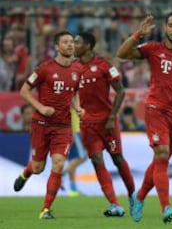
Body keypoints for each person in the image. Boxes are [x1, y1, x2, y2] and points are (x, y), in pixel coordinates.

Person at [116, 12, 172, 223]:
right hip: (156, 108)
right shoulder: (153, 49)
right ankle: (166, 207)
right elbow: (122, 53)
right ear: (165, 28)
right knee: (162, 154)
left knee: (160, 161)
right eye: (170, 25)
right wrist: (139, 33)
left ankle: (139, 197)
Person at [13, 31, 84, 219]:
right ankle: (26, 172)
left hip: (63, 126)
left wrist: (77, 107)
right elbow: (24, 90)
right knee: (38, 168)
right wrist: (41, 107)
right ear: (56, 47)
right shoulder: (44, 68)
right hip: (41, 124)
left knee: (59, 164)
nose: (70, 45)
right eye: (66, 42)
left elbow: (74, 92)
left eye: (72, 42)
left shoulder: (77, 70)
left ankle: (46, 209)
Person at [73, 31, 135, 217]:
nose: (73, 45)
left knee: (117, 159)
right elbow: (69, 93)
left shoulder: (104, 65)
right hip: (88, 125)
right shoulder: (73, 68)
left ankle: (134, 197)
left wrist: (111, 117)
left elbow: (121, 91)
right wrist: (76, 106)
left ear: (88, 46)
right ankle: (115, 204)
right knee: (97, 161)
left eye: (77, 42)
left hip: (107, 123)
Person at [62, 107, 87, 196]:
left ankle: (73, 190)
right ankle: (61, 174)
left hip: (69, 131)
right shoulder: (72, 96)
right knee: (82, 157)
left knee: (73, 162)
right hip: (74, 131)